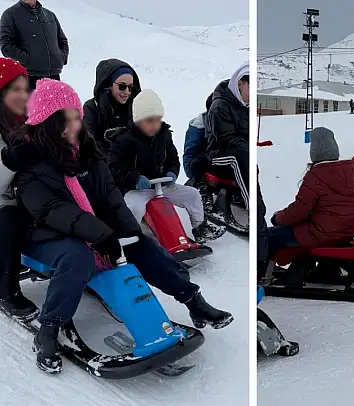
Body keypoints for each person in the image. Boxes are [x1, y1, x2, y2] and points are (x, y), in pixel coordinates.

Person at [4, 79, 233, 374]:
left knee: (141, 244)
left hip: (88, 226)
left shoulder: (87, 153)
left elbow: (110, 199)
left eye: (76, 117)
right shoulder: (32, 165)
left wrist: (128, 232)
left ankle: (193, 300)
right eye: (66, 119)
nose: (75, 125)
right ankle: (49, 329)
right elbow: (52, 210)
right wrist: (101, 235)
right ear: (48, 124)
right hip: (44, 234)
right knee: (77, 257)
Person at [107, 89, 225, 243]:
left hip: (162, 185)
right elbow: (114, 168)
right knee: (134, 207)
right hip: (137, 189)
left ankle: (200, 227)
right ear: (138, 120)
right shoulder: (123, 140)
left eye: (157, 120)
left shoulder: (164, 135)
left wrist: (172, 172)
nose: (154, 125)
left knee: (192, 194)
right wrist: (134, 178)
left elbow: (173, 158)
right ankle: (132, 238)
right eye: (149, 120)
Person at [267, 127, 354, 258]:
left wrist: (278, 218)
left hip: (322, 234)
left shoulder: (316, 175)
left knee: (266, 237)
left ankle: (261, 268)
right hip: (348, 232)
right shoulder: (349, 172)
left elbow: (300, 210)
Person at [0, 57, 35, 319]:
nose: (24, 95)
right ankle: (6, 289)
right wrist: (13, 161)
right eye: (16, 89)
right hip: (4, 203)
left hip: (30, 198)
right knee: (9, 222)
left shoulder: (31, 123)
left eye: (26, 89)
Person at [205, 63, 249, 211]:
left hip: (238, 151)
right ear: (240, 84)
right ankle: (253, 207)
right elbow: (226, 138)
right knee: (242, 158)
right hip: (218, 153)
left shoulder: (244, 105)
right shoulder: (220, 106)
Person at [0, 0, 68, 90]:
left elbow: (62, 40)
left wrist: (61, 58)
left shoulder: (49, 15)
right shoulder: (11, 14)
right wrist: (28, 61)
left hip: (54, 77)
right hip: (29, 78)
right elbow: (6, 45)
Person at [83, 59, 141, 154]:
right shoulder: (92, 107)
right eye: (122, 86)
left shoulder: (135, 107)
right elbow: (90, 143)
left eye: (130, 87)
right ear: (109, 85)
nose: (127, 92)